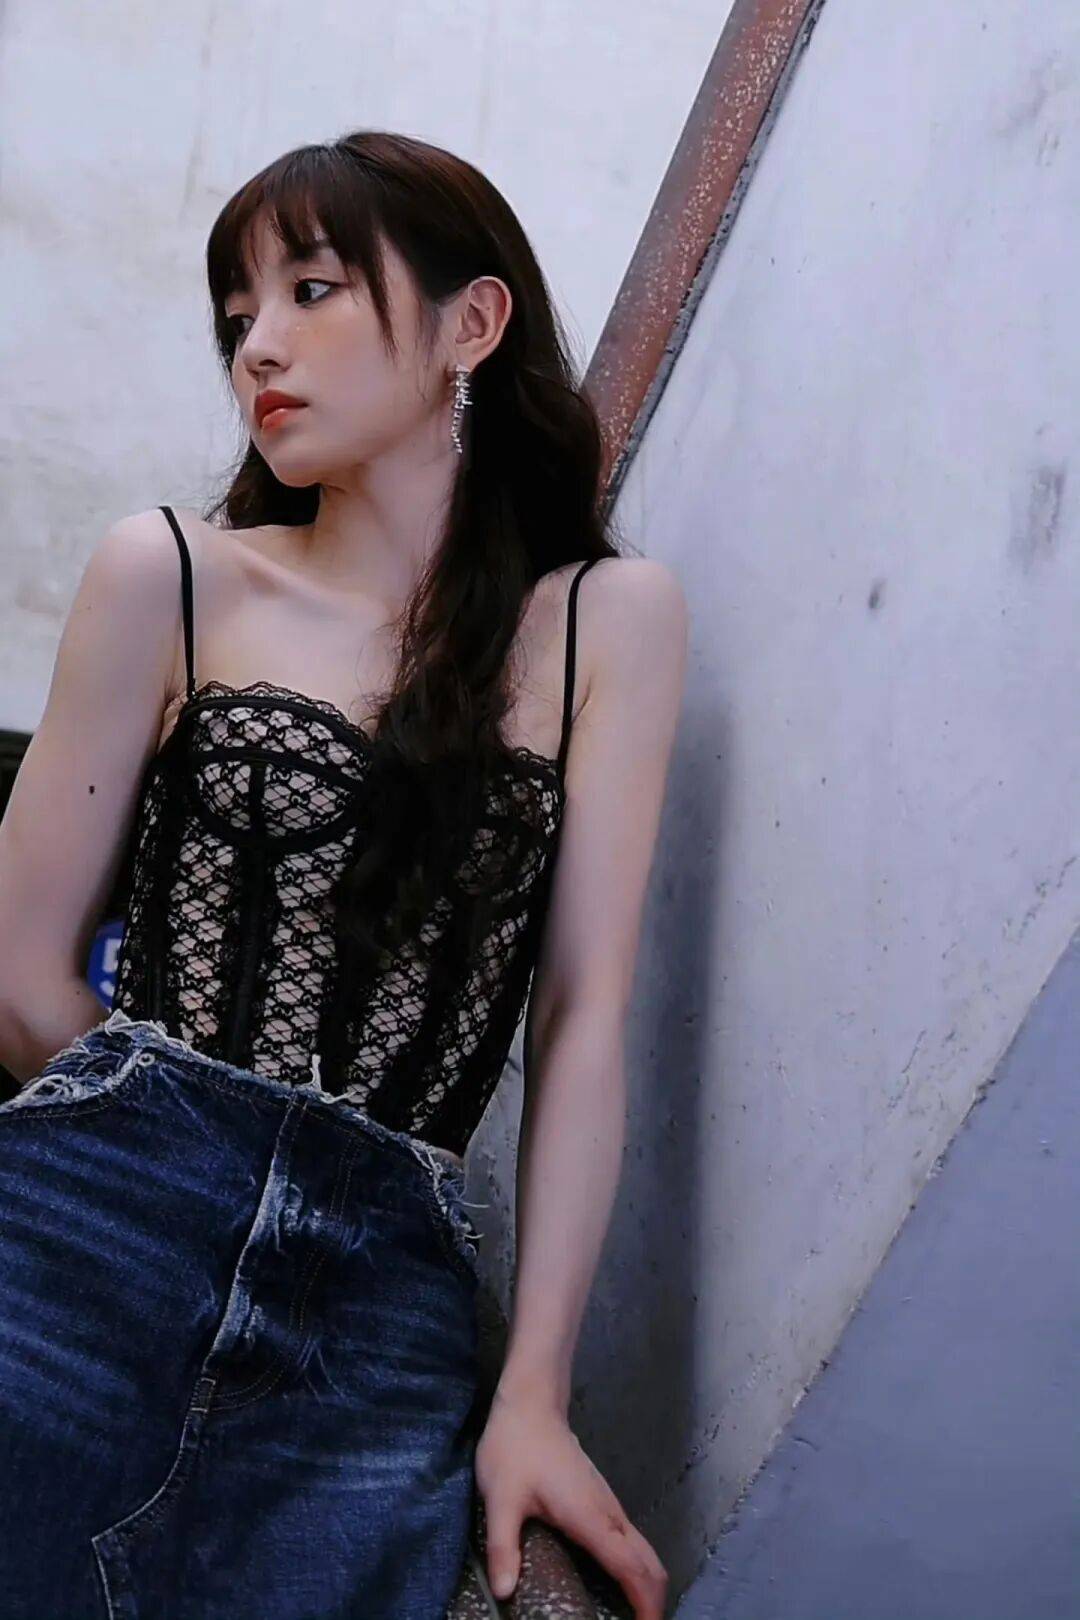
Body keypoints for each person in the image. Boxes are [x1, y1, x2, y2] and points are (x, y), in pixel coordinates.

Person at [0, 129, 686, 1619]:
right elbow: (20, 976)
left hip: (381, 1302)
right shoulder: (170, 572)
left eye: (311, 290)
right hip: (88, 1232)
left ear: (472, 324)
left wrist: (535, 1392)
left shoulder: (607, 624)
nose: (258, 344)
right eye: (237, 312)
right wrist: (182, 1145)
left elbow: (582, 1020)